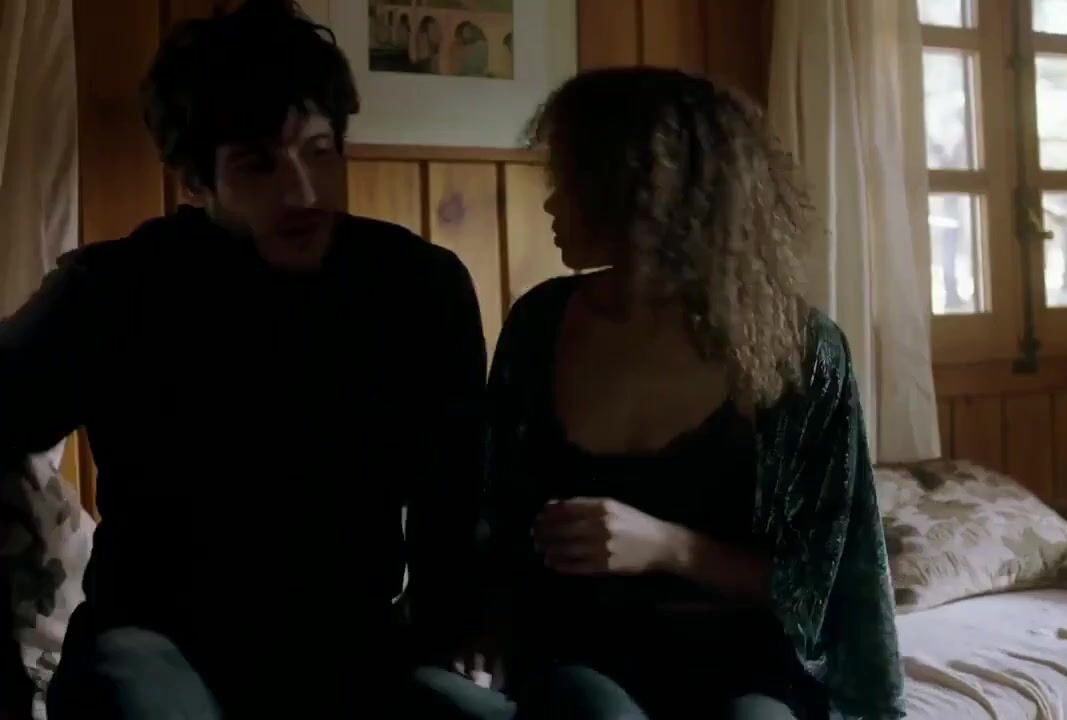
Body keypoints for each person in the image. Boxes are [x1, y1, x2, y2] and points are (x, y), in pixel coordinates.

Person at [0, 1, 486, 717]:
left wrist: (454, 637)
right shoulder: (114, 289)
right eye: (259, 164)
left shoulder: (417, 285)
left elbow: (456, 498)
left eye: (319, 152)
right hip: (154, 647)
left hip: (347, 650)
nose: (303, 191)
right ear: (193, 179)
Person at [424, 67, 906, 720]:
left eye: (572, 179)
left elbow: (820, 583)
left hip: (743, 661)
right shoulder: (541, 325)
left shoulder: (798, 352)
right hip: (579, 651)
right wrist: (489, 640)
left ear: (643, 194)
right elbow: (497, 525)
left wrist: (668, 546)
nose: (551, 203)